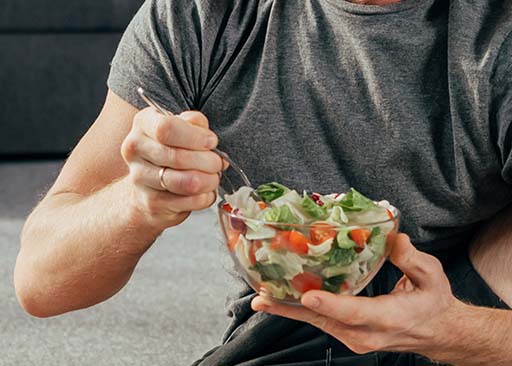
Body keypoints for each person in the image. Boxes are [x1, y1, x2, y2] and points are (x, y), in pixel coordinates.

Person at [13, 0, 512, 365]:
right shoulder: (202, 17)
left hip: (483, 315)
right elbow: (42, 281)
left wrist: (451, 329)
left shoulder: (496, 34)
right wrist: (138, 202)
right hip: (289, 324)